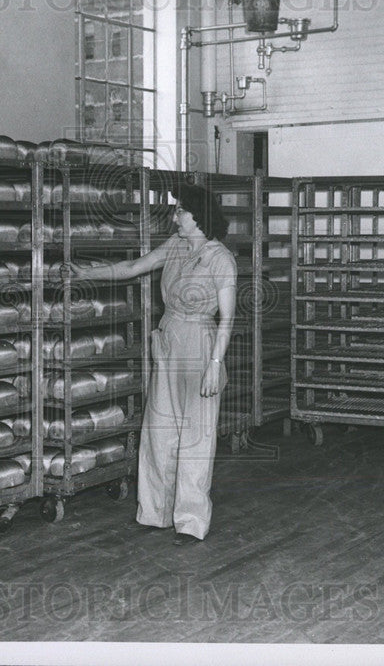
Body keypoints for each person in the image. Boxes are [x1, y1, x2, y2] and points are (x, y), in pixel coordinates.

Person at [72, 183, 237, 545]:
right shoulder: (175, 246)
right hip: (168, 339)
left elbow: (227, 317)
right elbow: (132, 267)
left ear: (198, 217)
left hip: (200, 344)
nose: (174, 215)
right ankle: (154, 512)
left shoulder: (220, 258)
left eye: (180, 210)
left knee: (196, 435)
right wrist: (84, 274)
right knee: (158, 429)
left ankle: (191, 520)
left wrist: (215, 363)